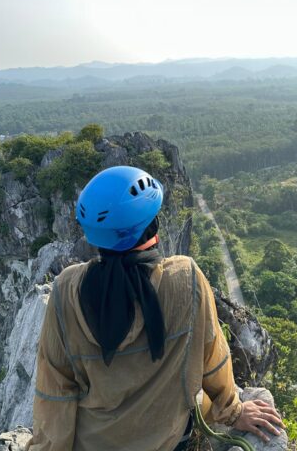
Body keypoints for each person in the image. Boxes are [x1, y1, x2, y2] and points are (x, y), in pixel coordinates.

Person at [28, 166, 283, 451]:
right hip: (166, 441)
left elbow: (55, 389)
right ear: (153, 224)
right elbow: (213, 358)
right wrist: (233, 411)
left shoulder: (66, 290)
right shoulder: (185, 277)